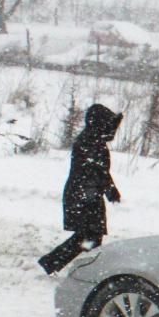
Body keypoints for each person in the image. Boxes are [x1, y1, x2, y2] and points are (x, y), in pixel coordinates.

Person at [39, 103, 123, 275]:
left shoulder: (93, 141)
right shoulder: (89, 142)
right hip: (84, 196)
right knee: (88, 237)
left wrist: (109, 190)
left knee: (90, 237)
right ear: (99, 124)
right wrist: (109, 190)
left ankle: (60, 265)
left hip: (86, 194)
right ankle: (63, 266)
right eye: (108, 125)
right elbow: (95, 171)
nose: (112, 131)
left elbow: (99, 171)